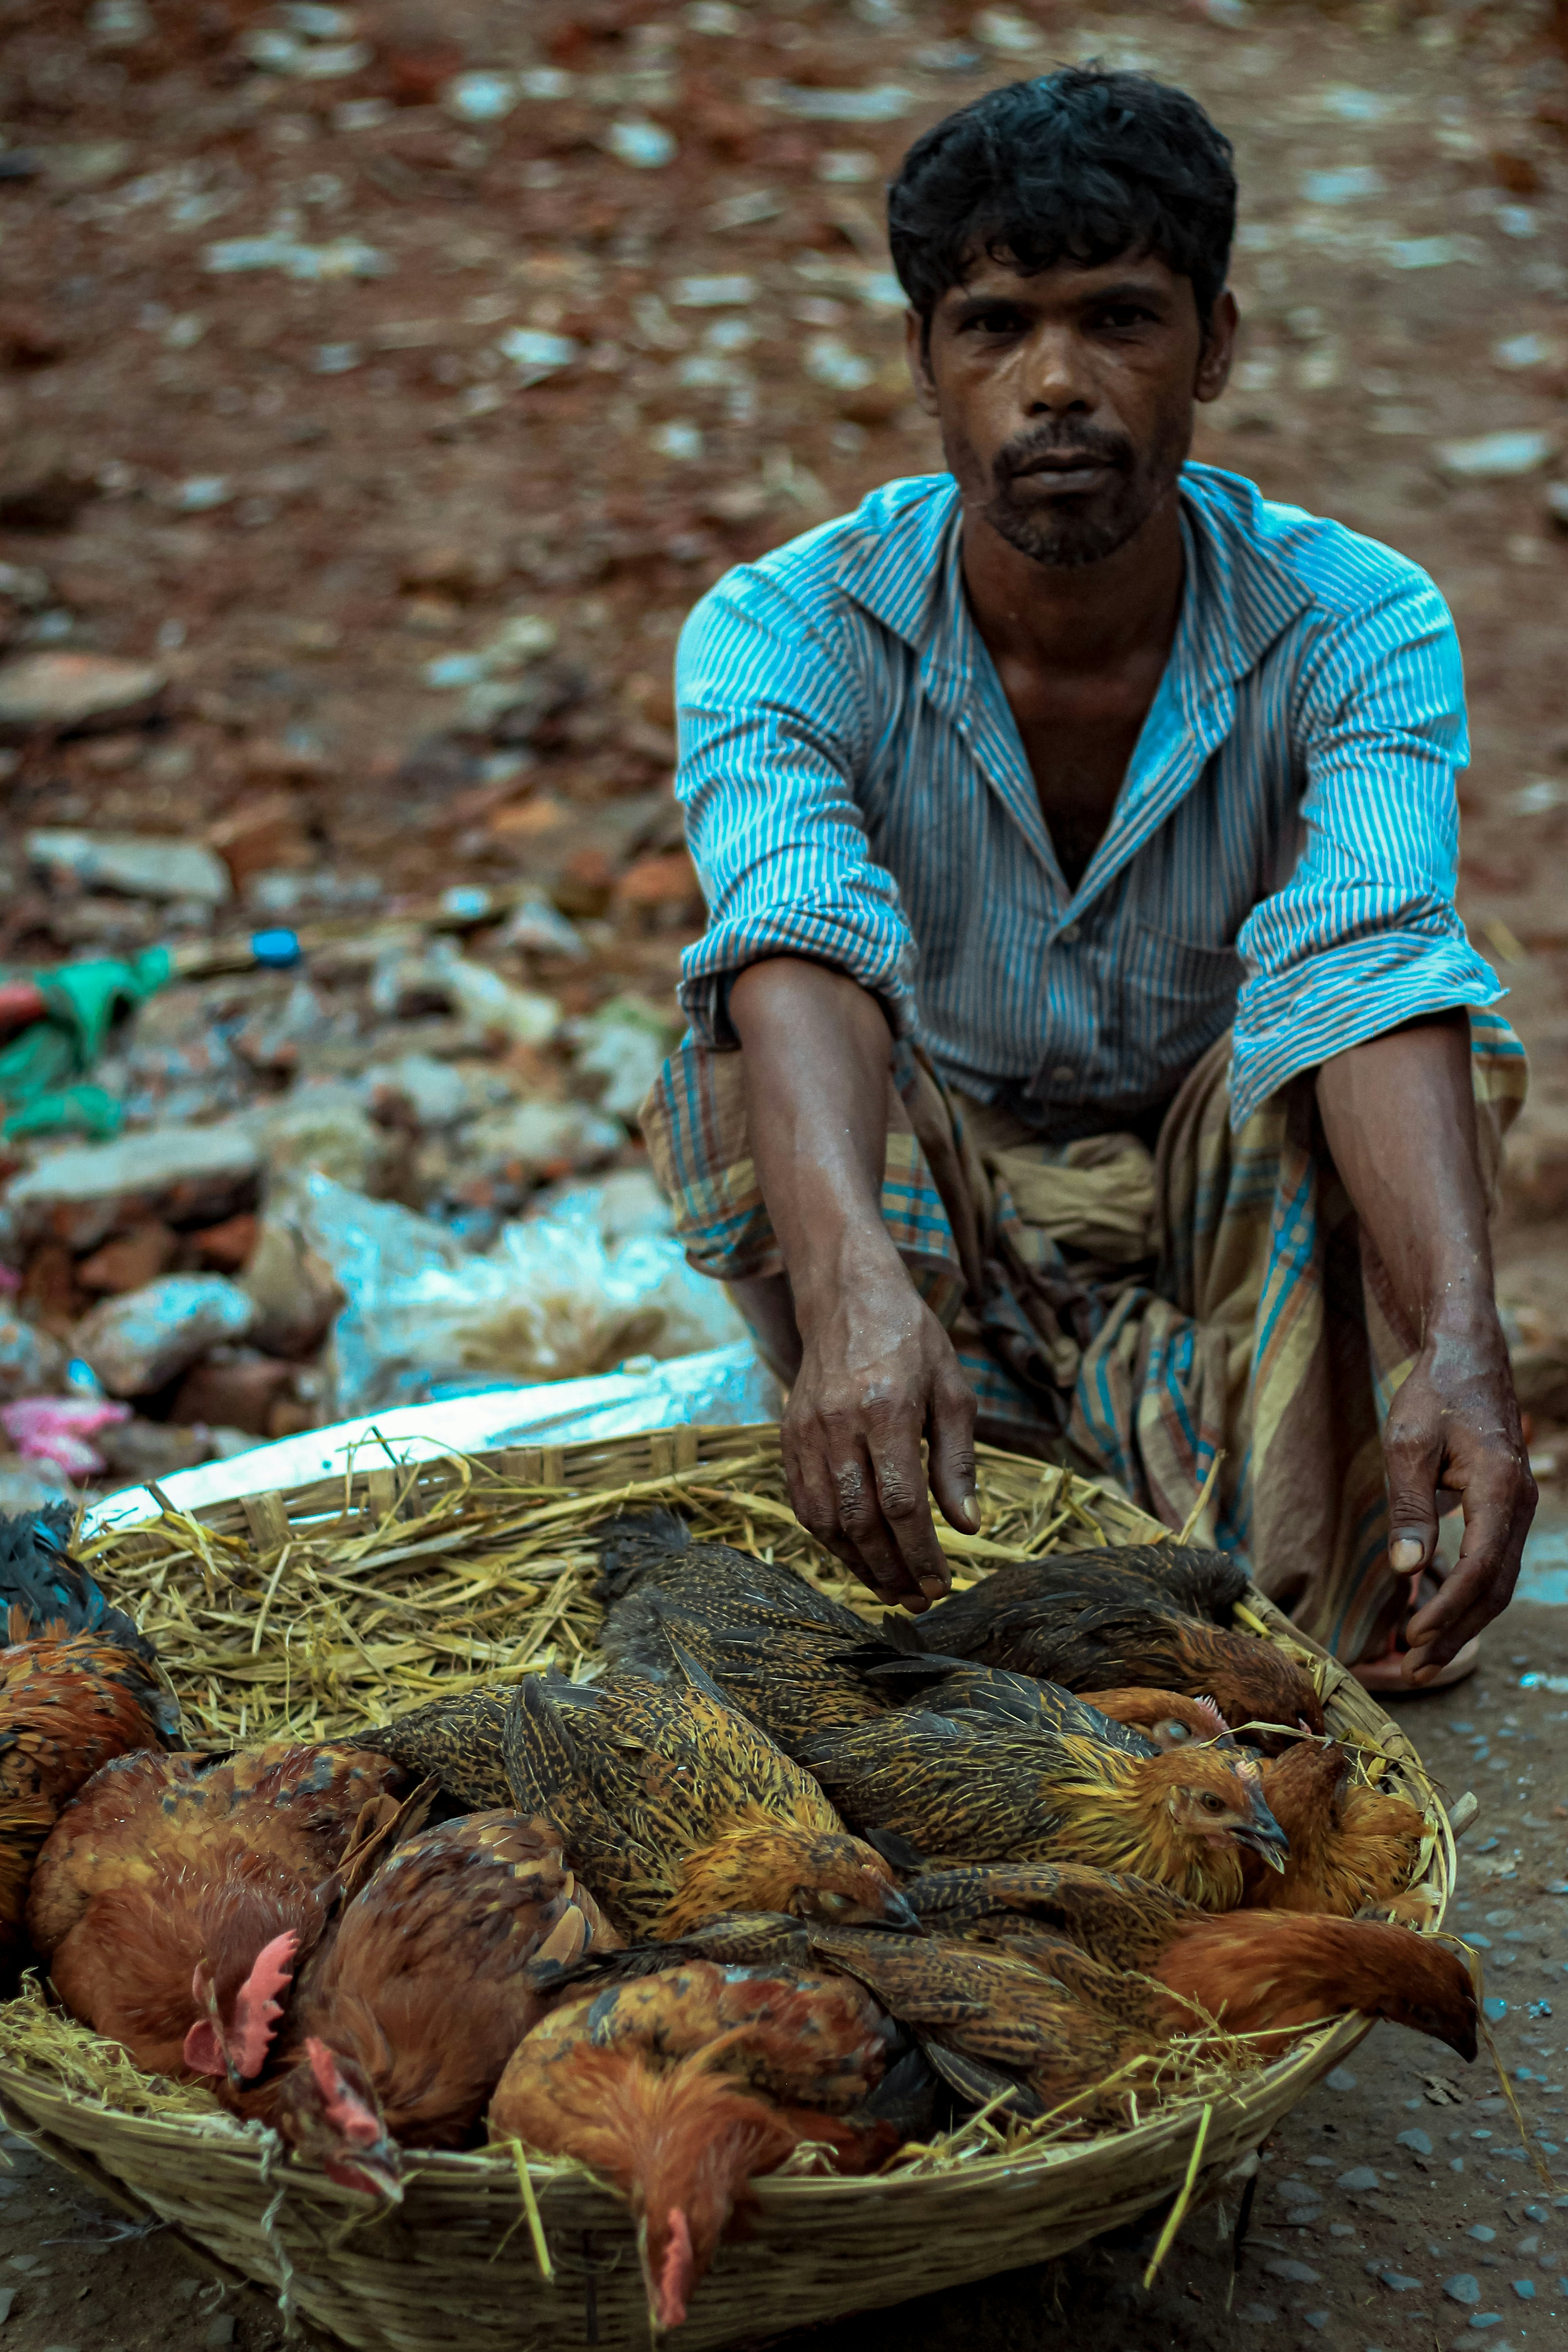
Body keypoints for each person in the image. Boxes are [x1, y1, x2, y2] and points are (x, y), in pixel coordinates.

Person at [641, 67, 1536, 1691]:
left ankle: (1291, 1486)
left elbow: (1370, 961)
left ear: (1217, 343)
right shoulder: (785, 626)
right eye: (993, 326)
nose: (1054, 385)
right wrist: (850, 1298)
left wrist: (1463, 1350)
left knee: (1315, 1652)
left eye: (1119, 319)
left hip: (1221, 1198)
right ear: (923, 357)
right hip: (950, 1188)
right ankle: (894, 1445)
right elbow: (798, 945)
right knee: (726, 1054)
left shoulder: (1355, 619)